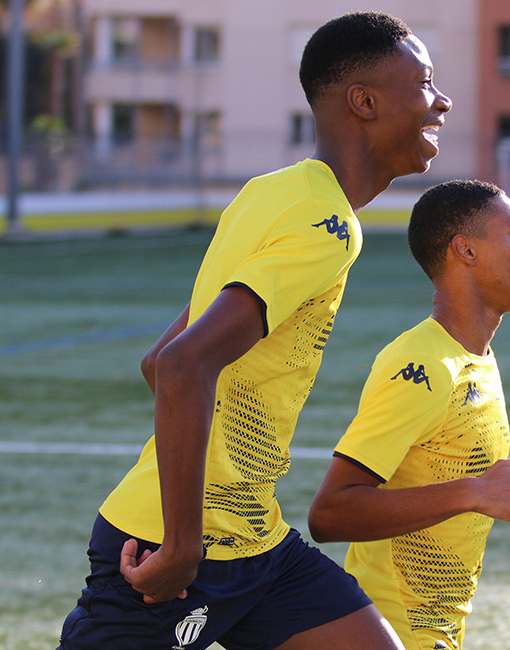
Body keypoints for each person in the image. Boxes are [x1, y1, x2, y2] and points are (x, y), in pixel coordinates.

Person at [57, 11, 451, 650]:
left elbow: (160, 359)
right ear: (365, 102)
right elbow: (181, 364)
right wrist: (183, 544)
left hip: (255, 538)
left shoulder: (273, 191)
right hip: (174, 548)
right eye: (425, 83)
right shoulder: (328, 225)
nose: (442, 101)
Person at [307, 179, 510, 650]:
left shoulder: (474, 358)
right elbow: (330, 514)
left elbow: (441, 474)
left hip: (437, 632)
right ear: (466, 249)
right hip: (396, 631)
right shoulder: (423, 366)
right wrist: (476, 491)